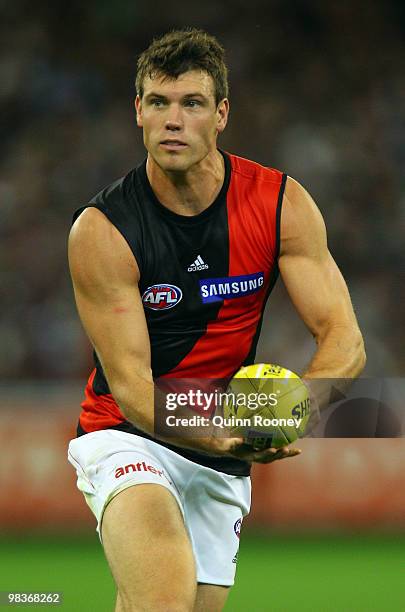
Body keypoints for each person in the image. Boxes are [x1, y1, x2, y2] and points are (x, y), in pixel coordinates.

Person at [67, 28, 366, 612]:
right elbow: (132, 391)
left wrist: (295, 408)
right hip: (130, 434)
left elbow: (344, 340)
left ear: (222, 113)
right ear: (138, 112)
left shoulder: (280, 203)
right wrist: (222, 428)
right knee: (162, 600)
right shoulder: (102, 231)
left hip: (224, 449)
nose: (172, 120)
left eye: (192, 103)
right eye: (158, 102)